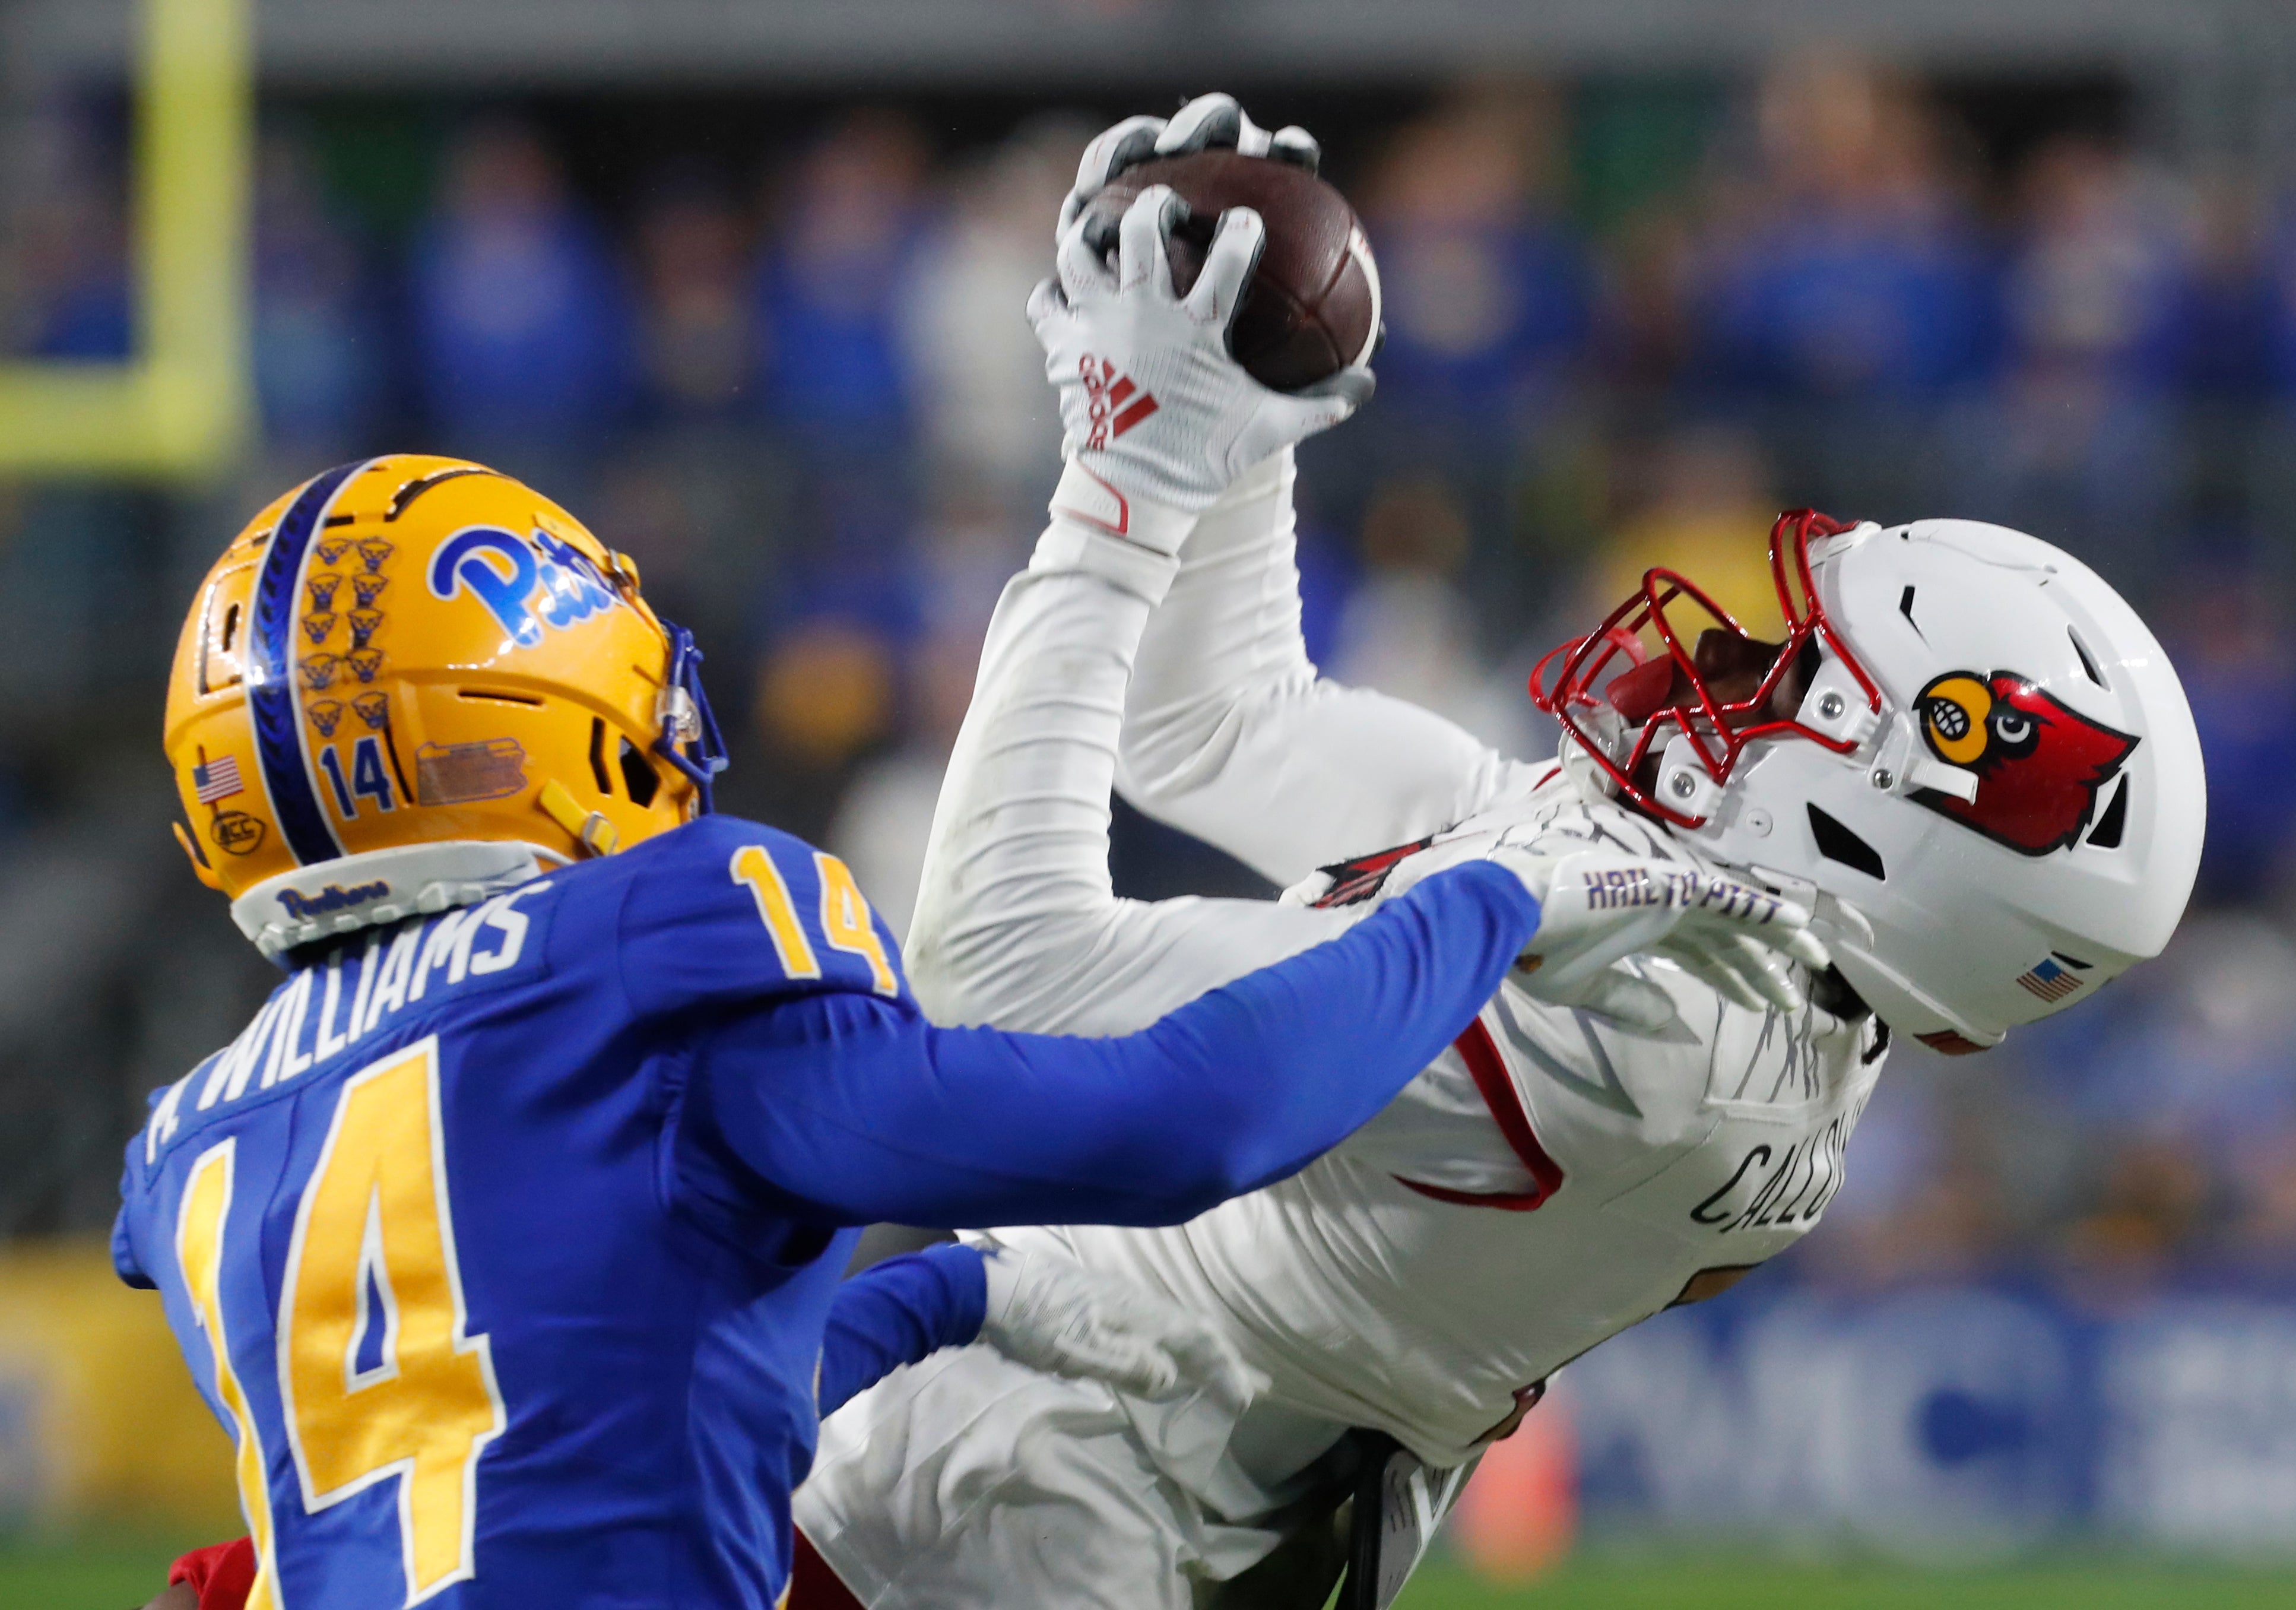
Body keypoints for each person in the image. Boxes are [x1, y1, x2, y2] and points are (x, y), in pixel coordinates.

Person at [792, 96, 2207, 1609]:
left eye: (1801, 679)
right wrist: (1237, 412)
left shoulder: (1659, 1022)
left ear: (1892, 823)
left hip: (1040, 1506)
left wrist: (1121, 482)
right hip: (1052, 1436)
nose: (1733, 663)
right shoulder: (1720, 938)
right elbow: (1217, 730)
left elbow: (1005, 970)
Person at [114, 452, 1575, 1609]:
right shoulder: (635, 954)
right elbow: (1192, 1124)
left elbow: (590, 1409)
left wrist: (952, 1295)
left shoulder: (200, 1139)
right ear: (529, 713)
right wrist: (1502, 883)